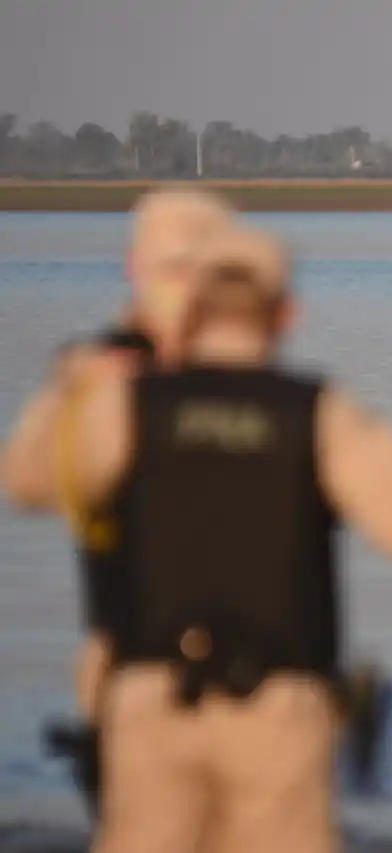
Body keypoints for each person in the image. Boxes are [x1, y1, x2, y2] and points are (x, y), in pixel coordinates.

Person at [20, 225, 392, 853]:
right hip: (279, 706)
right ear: (286, 314)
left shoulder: (128, 404)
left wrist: (77, 379)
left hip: (151, 702)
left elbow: (29, 481)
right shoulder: (316, 411)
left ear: (187, 309)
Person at [1, 186, 239, 814]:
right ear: (137, 269)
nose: (186, 289)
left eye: (204, 271)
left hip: (246, 672)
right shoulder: (97, 373)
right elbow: (25, 482)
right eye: (173, 269)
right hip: (130, 661)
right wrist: (79, 393)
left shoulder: (255, 379)